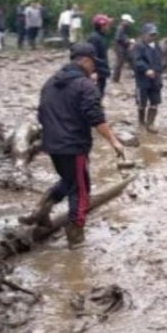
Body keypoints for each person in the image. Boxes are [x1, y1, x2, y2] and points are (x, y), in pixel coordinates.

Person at [18, 43, 125, 247]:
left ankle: (41, 211)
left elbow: (41, 112)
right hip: (73, 146)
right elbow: (95, 117)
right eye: (94, 64)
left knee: (69, 180)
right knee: (81, 189)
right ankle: (75, 235)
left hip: (52, 144)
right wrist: (114, 141)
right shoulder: (85, 85)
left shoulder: (50, 82)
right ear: (85, 61)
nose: (94, 68)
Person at [132, 23, 163, 133]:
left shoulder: (157, 46)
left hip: (156, 78)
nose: (153, 37)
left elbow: (160, 61)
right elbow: (137, 61)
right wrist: (146, 69)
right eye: (150, 34)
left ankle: (150, 124)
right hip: (143, 79)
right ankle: (141, 122)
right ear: (144, 34)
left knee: (155, 102)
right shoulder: (139, 46)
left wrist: (158, 71)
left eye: (154, 34)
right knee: (142, 102)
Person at [87, 14, 113, 98]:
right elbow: (92, 56)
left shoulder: (101, 37)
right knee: (95, 95)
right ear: (101, 26)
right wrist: (93, 71)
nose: (108, 27)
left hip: (101, 72)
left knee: (100, 94)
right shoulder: (94, 38)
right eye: (107, 25)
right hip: (97, 73)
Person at [112, 14, 136, 83]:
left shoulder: (122, 28)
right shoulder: (120, 28)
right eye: (128, 22)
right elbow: (118, 38)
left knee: (127, 60)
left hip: (122, 47)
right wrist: (128, 41)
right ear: (125, 21)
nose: (129, 24)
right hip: (120, 48)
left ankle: (116, 78)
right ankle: (115, 79)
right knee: (119, 63)